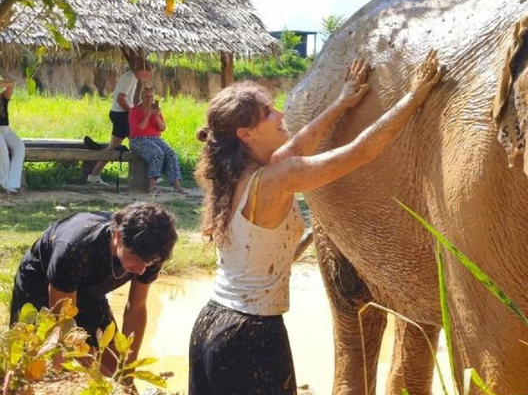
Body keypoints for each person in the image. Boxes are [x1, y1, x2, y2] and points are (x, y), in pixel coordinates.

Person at [188, 51, 441, 395]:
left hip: (211, 326)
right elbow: (360, 152)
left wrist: (342, 102)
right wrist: (413, 97)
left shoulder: (235, 174)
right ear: (246, 134)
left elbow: (300, 142)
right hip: (250, 334)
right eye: (268, 112)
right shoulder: (277, 178)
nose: (280, 113)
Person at [10, 202, 178, 373]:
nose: (142, 269)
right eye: (136, 259)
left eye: (148, 262)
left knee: (114, 366)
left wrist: (127, 372)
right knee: (39, 363)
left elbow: (136, 309)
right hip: (42, 282)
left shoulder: (152, 254)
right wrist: (89, 367)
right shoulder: (77, 248)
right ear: (118, 236)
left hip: (89, 288)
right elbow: (63, 321)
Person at [87, 61, 153, 186]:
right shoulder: (129, 78)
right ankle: (151, 175)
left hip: (119, 114)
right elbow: (121, 98)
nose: (149, 76)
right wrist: (132, 112)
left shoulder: (132, 78)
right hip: (121, 115)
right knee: (141, 142)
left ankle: (94, 175)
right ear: (142, 70)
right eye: (148, 73)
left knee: (114, 147)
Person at [129, 86, 186, 194]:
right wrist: (147, 116)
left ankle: (177, 185)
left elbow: (162, 128)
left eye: (151, 97)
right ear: (141, 97)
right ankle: (152, 185)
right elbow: (140, 129)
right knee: (157, 153)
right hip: (138, 139)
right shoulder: (134, 111)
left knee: (171, 153)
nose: (149, 99)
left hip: (155, 138)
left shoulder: (157, 111)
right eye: (146, 97)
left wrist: (156, 116)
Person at [0, 77, 24, 194]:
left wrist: (1, 83)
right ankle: (4, 183)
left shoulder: (3, 97)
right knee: (2, 150)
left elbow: (11, 84)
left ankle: (13, 182)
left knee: (19, 147)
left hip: (6, 130)